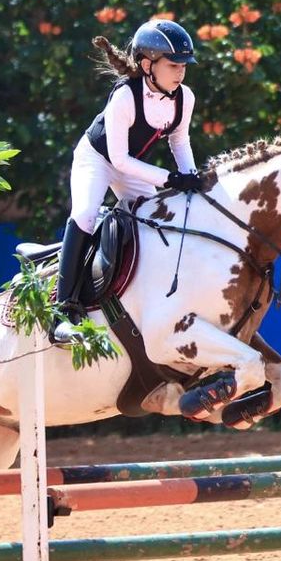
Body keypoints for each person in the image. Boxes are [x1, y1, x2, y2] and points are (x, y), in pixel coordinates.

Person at [51, 19, 206, 346]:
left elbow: (179, 141)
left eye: (184, 67)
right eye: (173, 65)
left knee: (156, 223)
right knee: (86, 214)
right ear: (148, 65)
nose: (181, 73)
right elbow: (117, 160)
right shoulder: (124, 97)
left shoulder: (184, 98)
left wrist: (191, 179)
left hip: (130, 166)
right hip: (98, 159)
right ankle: (63, 314)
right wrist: (170, 178)